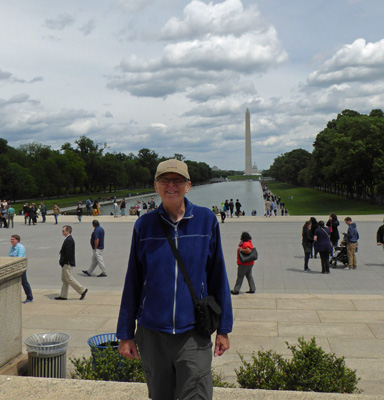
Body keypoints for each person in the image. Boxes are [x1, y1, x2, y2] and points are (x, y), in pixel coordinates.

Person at [117, 159, 232, 400]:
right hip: (153, 333)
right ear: (156, 186)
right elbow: (133, 281)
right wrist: (125, 333)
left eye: (177, 180)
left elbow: (218, 276)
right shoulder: (144, 225)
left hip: (193, 332)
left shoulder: (206, 220)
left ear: (188, 185)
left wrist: (224, 328)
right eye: (165, 180)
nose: (171, 185)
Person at [55, 225, 88, 301]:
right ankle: (63, 295)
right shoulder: (67, 239)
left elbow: (68, 253)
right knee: (64, 279)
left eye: (63, 231)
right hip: (64, 263)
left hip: (67, 263)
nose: (62, 232)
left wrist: (65, 262)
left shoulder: (69, 240)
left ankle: (82, 290)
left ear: (68, 231)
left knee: (69, 278)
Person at [9, 234, 33, 304]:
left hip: (21, 267)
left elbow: (19, 257)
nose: (11, 241)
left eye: (13, 239)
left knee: (24, 282)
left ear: (17, 240)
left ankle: (29, 297)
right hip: (13, 267)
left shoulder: (21, 247)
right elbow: (10, 255)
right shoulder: (12, 247)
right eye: (11, 239)